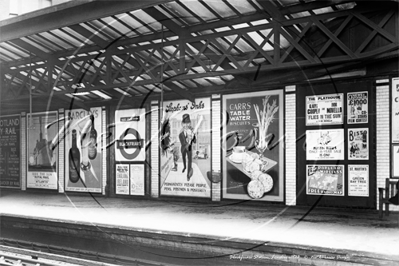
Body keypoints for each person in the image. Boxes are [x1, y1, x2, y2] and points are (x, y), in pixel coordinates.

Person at [179, 114, 196, 181]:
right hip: (183, 148)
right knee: (184, 158)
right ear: (182, 124)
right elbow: (183, 143)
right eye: (184, 123)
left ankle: (188, 175)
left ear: (190, 123)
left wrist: (193, 136)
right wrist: (188, 138)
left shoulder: (191, 132)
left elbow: (195, 141)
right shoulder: (180, 134)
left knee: (190, 161)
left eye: (188, 123)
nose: (186, 125)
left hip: (189, 149)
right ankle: (184, 167)